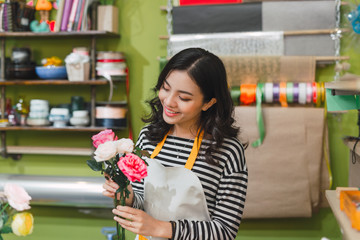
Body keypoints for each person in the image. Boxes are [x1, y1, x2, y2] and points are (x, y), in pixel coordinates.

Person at [103, 48, 248, 240]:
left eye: (184, 98)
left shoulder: (228, 151)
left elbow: (225, 232)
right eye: (165, 88)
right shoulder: (148, 137)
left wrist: (161, 228)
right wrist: (126, 194)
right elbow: (143, 203)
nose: (169, 102)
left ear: (208, 103)